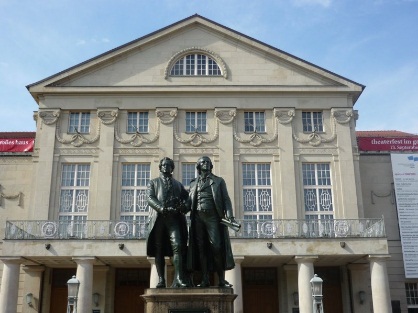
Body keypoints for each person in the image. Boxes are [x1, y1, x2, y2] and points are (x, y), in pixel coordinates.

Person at [187, 156, 238, 287]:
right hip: (197, 217)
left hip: (213, 217)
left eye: (208, 162)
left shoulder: (218, 181)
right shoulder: (193, 183)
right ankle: (205, 279)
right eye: (203, 162)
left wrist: (230, 216)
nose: (206, 164)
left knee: (217, 247)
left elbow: (226, 200)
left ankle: (221, 279)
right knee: (201, 248)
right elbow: (188, 202)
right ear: (198, 166)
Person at [147, 157, 189, 288]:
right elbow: (150, 198)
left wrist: (184, 206)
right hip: (159, 218)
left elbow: (187, 199)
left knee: (178, 246)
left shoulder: (178, 184)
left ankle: (179, 278)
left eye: (169, 165)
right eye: (164, 165)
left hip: (174, 219)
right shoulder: (153, 182)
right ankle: (161, 279)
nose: (166, 167)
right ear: (160, 167)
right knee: (158, 249)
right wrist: (161, 208)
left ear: (172, 168)